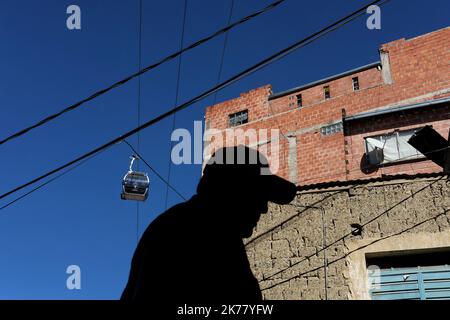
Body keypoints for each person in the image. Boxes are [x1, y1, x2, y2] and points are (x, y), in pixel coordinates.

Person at [121, 145, 296, 302]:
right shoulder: (208, 235)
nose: (264, 208)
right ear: (232, 190)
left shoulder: (175, 225)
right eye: (258, 195)